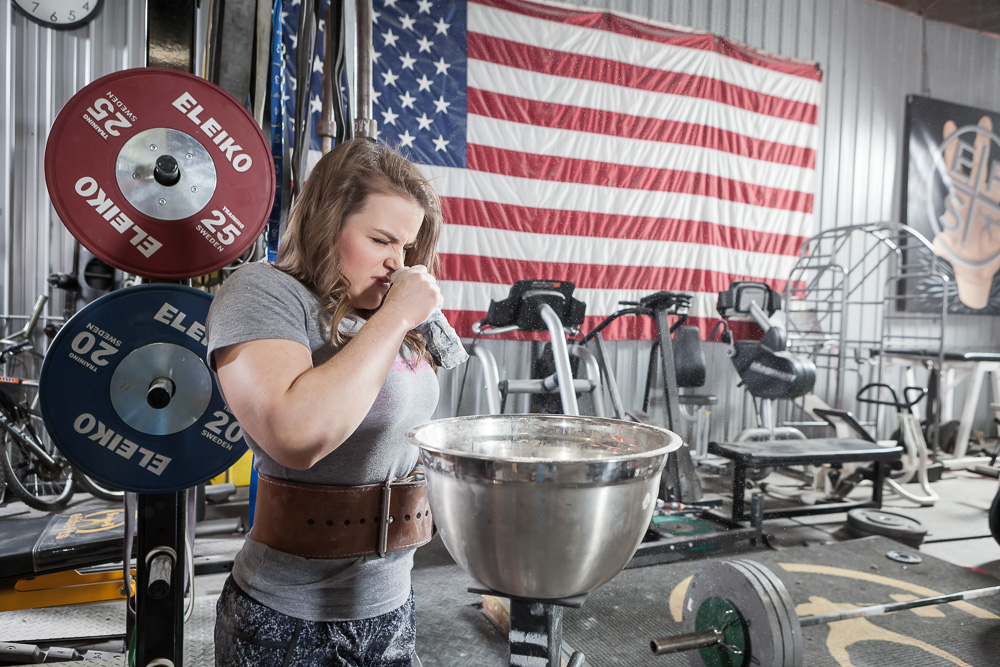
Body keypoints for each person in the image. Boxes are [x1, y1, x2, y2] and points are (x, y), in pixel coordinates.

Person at [206, 138, 445, 666]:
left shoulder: (385, 314)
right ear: (326, 222)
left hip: (390, 605)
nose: (396, 263)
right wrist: (395, 318)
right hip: (287, 618)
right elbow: (297, 436)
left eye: (405, 247)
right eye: (381, 239)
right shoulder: (264, 292)